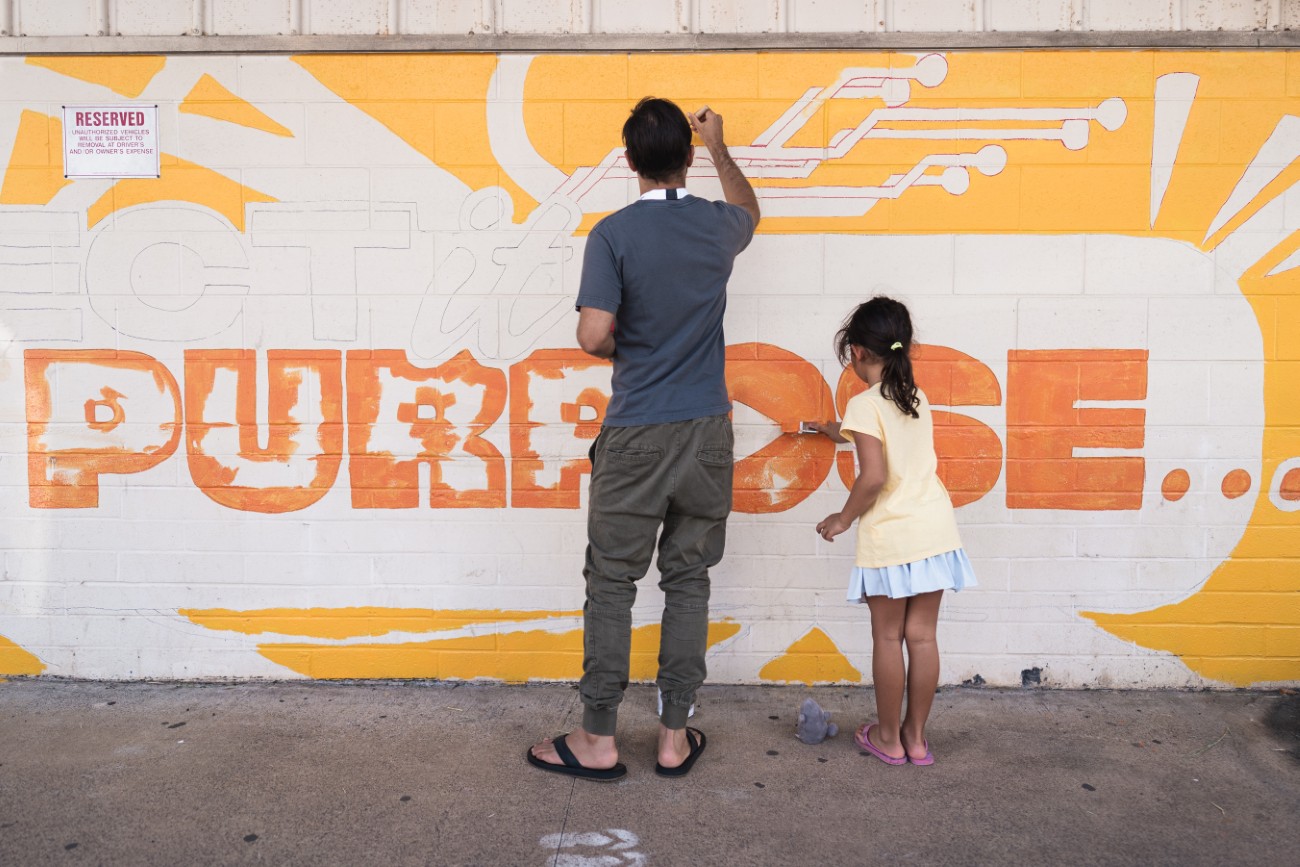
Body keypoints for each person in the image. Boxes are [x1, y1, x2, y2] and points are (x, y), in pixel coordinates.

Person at [527, 97, 760, 781]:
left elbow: (593, 333)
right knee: (688, 582)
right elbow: (751, 210)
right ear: (687, 158)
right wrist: (720, 146)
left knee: (613, 585)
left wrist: (632, 349)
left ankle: (598, 738)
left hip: (637, 433)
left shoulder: (613, 234)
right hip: (707, 431)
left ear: (629, 160)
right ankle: (672, 736)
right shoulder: (720, 227)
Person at [808, 297, 977, 766]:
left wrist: (842, 518)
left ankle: (885, 737)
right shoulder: (914, 396)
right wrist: (835, 431)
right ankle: (916, 739)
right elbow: (891, 436)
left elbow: (875, 475)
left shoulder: (864, 403)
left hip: (893, 536)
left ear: (858, 352)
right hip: (936, 531)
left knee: (887, 637)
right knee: (922, 637)